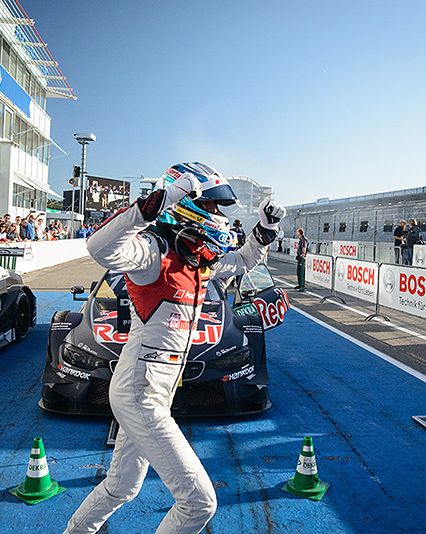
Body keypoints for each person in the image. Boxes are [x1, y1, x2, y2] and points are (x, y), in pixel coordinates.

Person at [63, 162, 285, 534]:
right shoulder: (154, 251)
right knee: (199, 501)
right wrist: (152, 205)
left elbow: (244, 260)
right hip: (140, 392)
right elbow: (98, 247)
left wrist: (265, 230)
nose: (219, 216)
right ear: (188, 203)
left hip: (153, 390)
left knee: (122, 486)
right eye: (214, 207)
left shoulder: (198, 262)